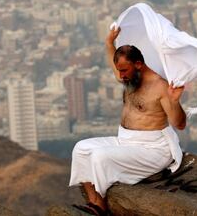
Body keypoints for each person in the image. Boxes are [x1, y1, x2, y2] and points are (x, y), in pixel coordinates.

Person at [69, 27, 186, 215]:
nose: (120, 75)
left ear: (138, 64)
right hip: (125, 141)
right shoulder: (131, 78)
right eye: (120, 71)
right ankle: (97, 205)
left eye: (124, 70)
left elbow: (179, 123)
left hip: (153, 149)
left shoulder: (159, 86)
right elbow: (117, 68)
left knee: (100, 157)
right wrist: (109, 43)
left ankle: (102, 204)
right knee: (81, 149)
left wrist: (174, 101)